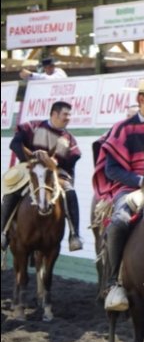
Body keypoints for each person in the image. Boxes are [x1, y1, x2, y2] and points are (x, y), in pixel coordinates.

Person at [92, 79, 144, 312]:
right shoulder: (122, 129)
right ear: (141, 100)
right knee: (119, 221)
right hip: (130, 189)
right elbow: (111, 170)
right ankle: (114, 282)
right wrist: (141, 182)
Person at [1, 101, 83, 252]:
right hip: (30, 169)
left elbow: (74, 157)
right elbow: (15, 144)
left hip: (55, 173)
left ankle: (74, 235)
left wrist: (54, 162)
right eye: (65, 114)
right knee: (12, 190)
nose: (68, 118)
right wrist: (32, 159)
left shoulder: (69, 139)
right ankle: (3, 232)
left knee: (70, 191)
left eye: (70, 115)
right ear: (54, 114)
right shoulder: (32, 127)